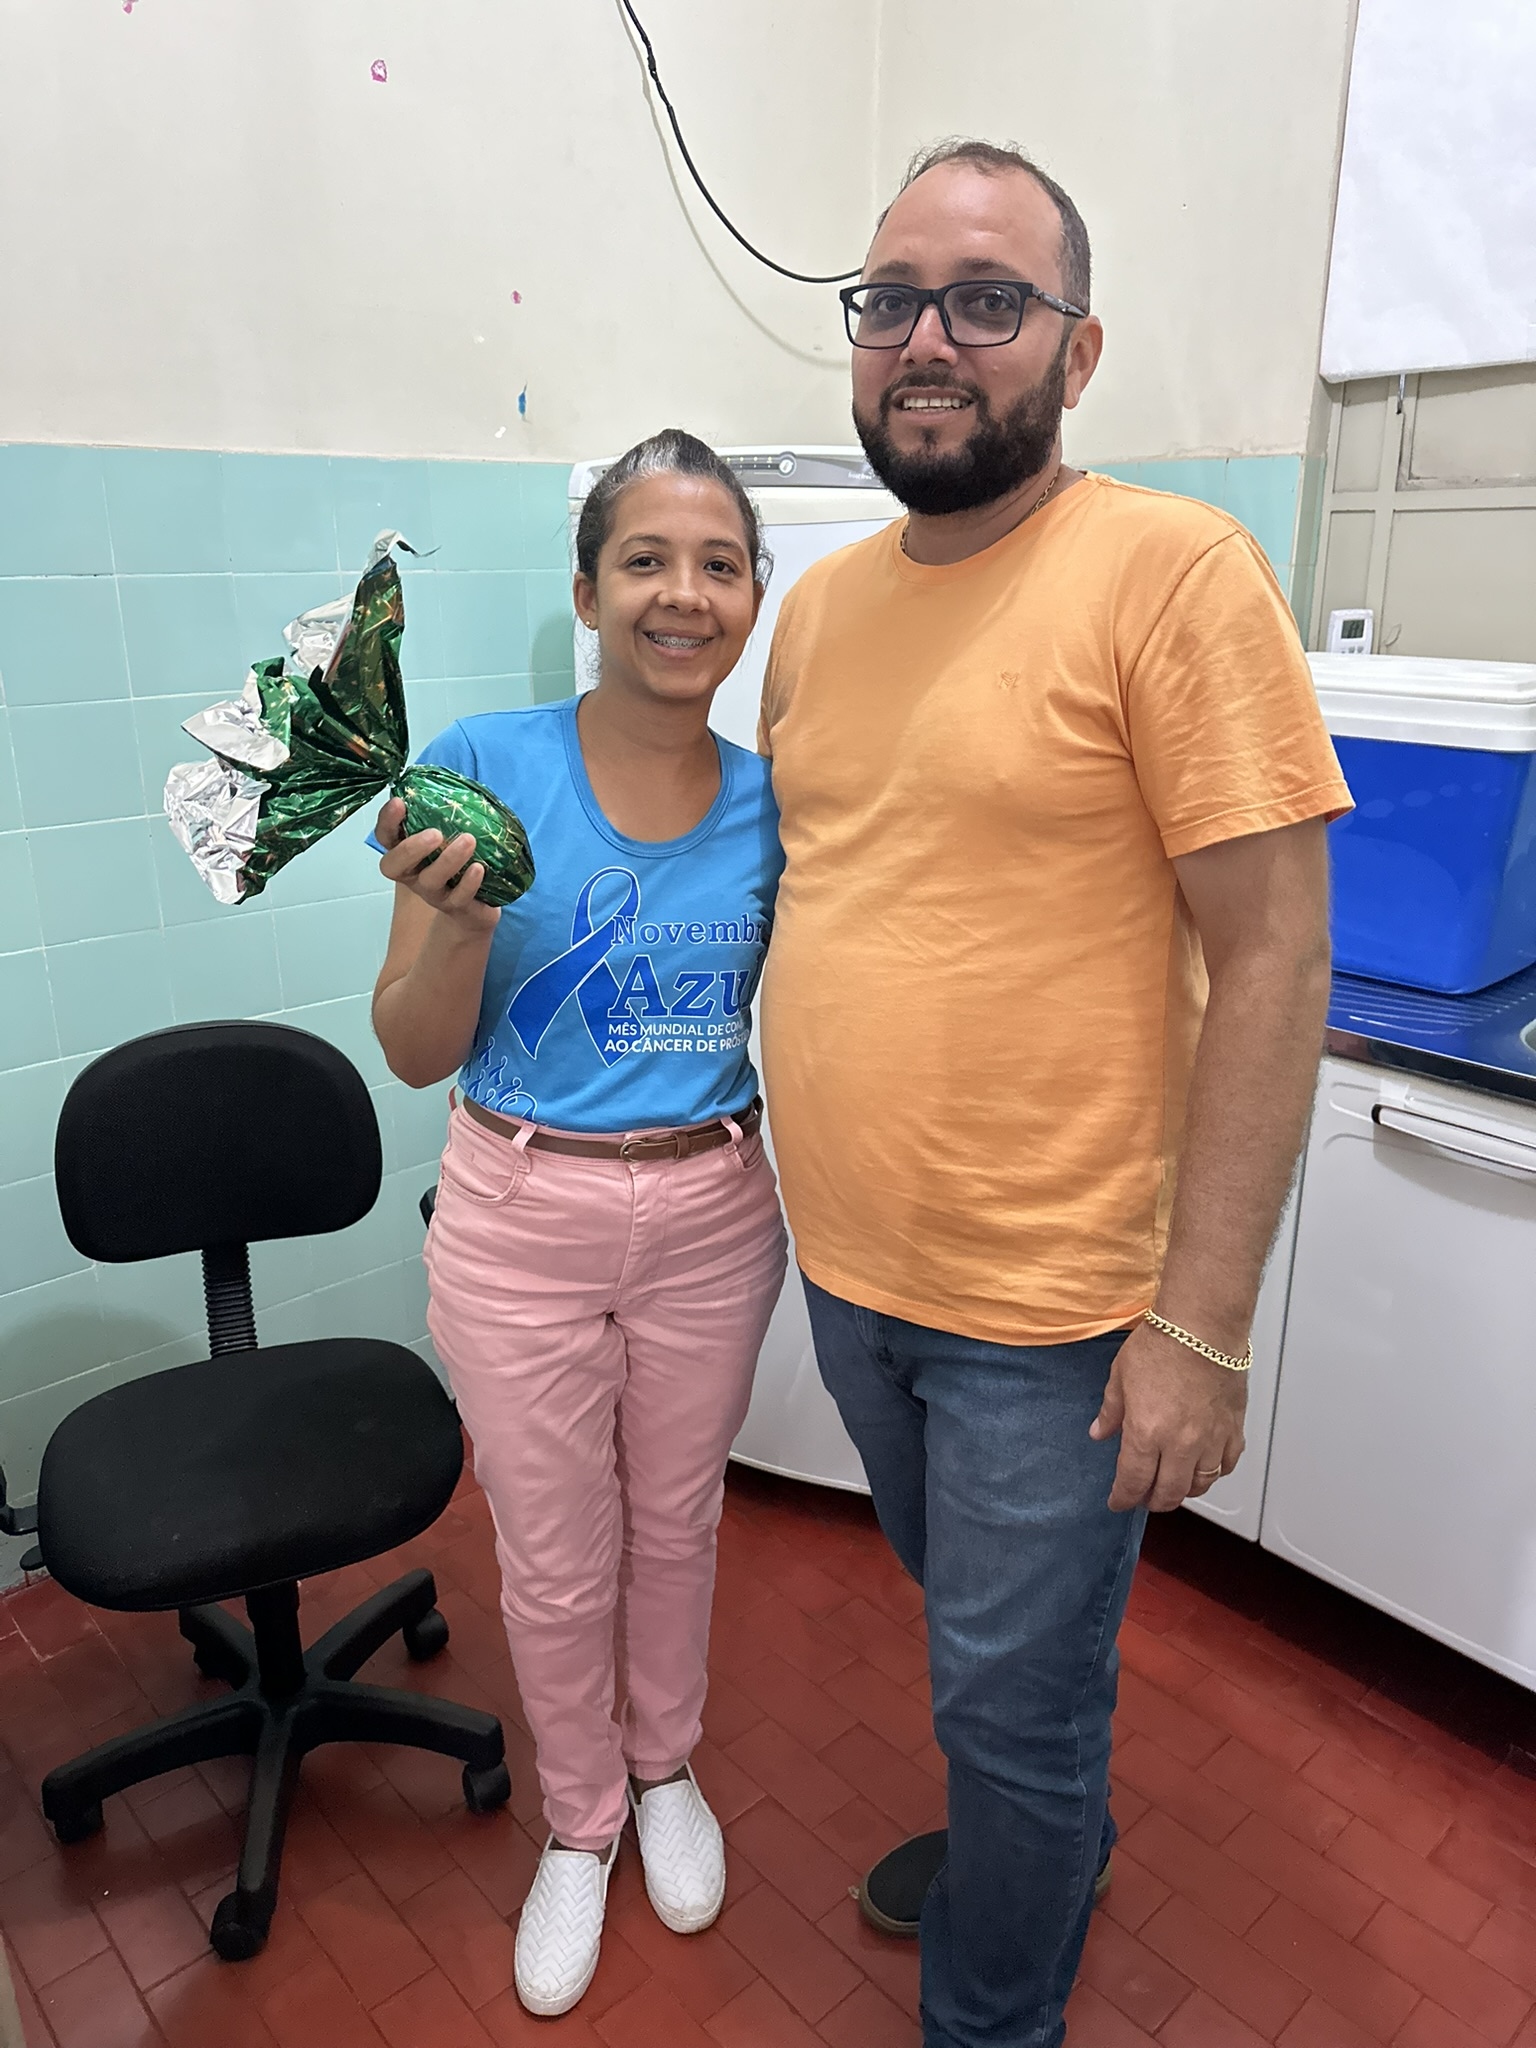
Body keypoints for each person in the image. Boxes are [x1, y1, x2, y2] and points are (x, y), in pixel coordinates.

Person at [757, 141, 1351, 2048]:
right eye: (893, 299)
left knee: (1004, 1703)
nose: (929, 339)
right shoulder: (820, 613)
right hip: (853, 1276)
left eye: (989, 301)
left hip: (1057, 1317)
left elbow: (1277, 958)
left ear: (1078, 353)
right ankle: (1049, 1838)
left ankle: (992, 2004)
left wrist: (1202, 1326)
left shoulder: (1171, 574)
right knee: (986, 1651)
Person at [370, 430, 788, 2017]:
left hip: (711, 1208)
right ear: (588, 589)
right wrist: (459, 929)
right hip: (520, 1209)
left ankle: (666, 1767)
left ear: (750, 597)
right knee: (553, 1557)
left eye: (719, 564)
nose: (684, 594)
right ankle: (581, 1822)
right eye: (646, 560)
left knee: (678, 1524)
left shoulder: (778, 809)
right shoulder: (482, 767)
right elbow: (413, 1047)